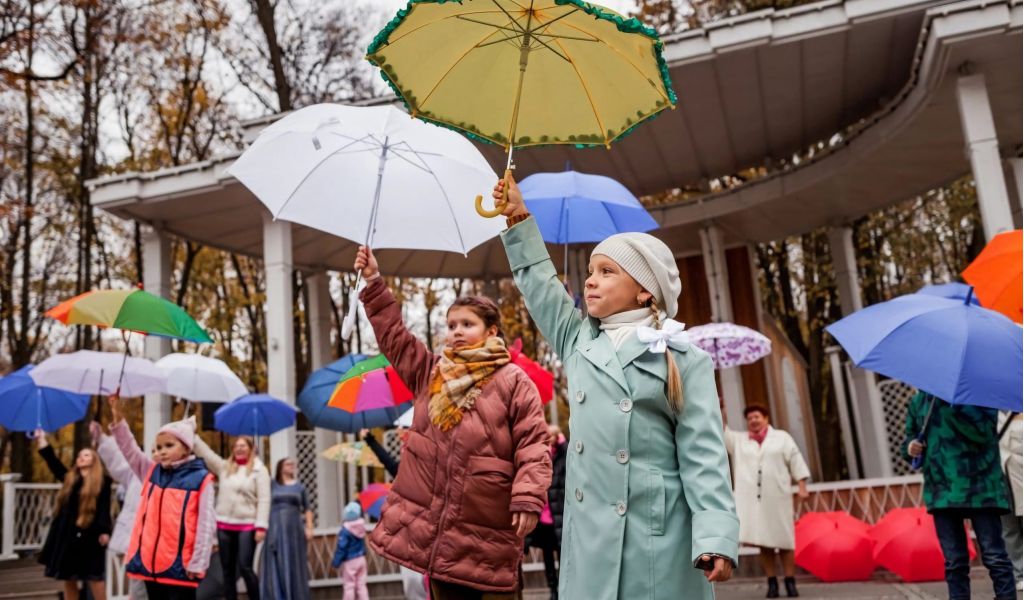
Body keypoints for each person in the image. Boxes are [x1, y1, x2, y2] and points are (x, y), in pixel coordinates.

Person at [497, 177, 739, 600]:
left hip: (657, 532)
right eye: (590, 271)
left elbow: (704, 453)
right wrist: (518, 218)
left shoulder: (683, 357)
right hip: (590, 531)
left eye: (607, 272)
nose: (590, 281)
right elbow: (540, 286)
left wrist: (716, 533)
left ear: (646, 290)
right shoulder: (578, 339)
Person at [355, 245, 553, 599]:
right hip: (441, 534)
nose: (456, 332)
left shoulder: (513, 380)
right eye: (451, 325)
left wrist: (527, 497)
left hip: (491, 526)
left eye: (467, 324)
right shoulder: (431, 372)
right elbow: (395, 338)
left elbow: (534, 444)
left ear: (492, 332)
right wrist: (373, 280)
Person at [904, 391, 1016, 600]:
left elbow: (983, 433)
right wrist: (911, 447)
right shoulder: (920, 402)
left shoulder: (980, 396)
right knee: (954, 562)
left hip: (982, 489)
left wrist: (951, 406)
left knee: (994, 557)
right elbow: (908, 440)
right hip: (941, 492)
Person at [109, 397, 216, 600]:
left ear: (186, 447)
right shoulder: (151, 472)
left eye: (168, 445)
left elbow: (206, 525)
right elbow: (130, 450)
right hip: (151, 563)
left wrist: (198, 562)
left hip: (181, 567)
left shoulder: (201, 480)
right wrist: (118, 419)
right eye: (158, 448)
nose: (161, 451)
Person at [722, 404, 810, 598]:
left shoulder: (782, 438)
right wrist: (722, 412)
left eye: (757, 417)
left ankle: (790, 580)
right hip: (754, 501)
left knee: (785, 541)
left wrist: (802, 485)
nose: (753, 420)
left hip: (777, 496)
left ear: (766, 418)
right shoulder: (739, 441)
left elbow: (795, 460)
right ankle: (771, 582)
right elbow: (721, 431)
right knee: (764, 542)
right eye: (750, 418)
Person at [34, 428, 113, 600]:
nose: (81, 457)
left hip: (90, 533)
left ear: (94, 460)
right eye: (79, 455)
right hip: (67, 534)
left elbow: (104, 508)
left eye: (86, 455)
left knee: (94, 577)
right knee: (68, 577)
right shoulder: (70, 478)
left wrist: (104, 530)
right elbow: (53, 462)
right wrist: (42, 440)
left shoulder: (103, 481)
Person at [191, 432, 271, 600]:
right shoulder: (225, 467)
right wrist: (193, 437)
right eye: (236, 446)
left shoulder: (259, 470)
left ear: (251, 449)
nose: (239, 448)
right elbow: (207, 455)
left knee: (245, 567)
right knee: (227, 570)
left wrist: (261, 526)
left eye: (243, 446)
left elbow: (264, 499)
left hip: (247, 525)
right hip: (224, 526)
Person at [357, 428, 428, 600]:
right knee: (411, 582)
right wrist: (370, 439)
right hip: (409, 533)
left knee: (426, 581)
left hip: (428, 533)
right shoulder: (402, 472)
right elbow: (387, 461)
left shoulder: (430, 473)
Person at [90, 421, 148, 600]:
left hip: (161, 545)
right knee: (136, 587)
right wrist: (102, 438)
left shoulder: (176, 478)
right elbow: (120, 459)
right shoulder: (136, 474)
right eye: (156, 449)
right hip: (137, 538)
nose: (160, 453)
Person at [260, 458, 313, 600]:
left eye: (293, 464)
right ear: (280, 467)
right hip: (275, 527)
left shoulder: (300, 487)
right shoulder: (272, 485)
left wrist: (309, 528)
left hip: (294, 530)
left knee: (294, 561)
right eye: (288, 464)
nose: (292, 466)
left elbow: (307, 509)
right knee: (276, 559)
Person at [525, 425, 567, 600]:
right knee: (548, 555)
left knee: (563, 554)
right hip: (545, 516)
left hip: (559, 514)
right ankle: (553, 589)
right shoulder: (543, 454)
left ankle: (564, 588)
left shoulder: (564, 453)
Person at [998, 411, 1022, 590]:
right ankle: (1019, 573)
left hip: (1020, 470)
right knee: (1008, 525)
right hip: (1000, 473)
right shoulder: (989, 409)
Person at [332, 502, 369, 600]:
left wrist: (336, 562)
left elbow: (342, 547)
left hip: (350, 561)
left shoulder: (345, 530)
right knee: (361, 585)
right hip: (361, 559)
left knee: (349, 585)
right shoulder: (361, 526)